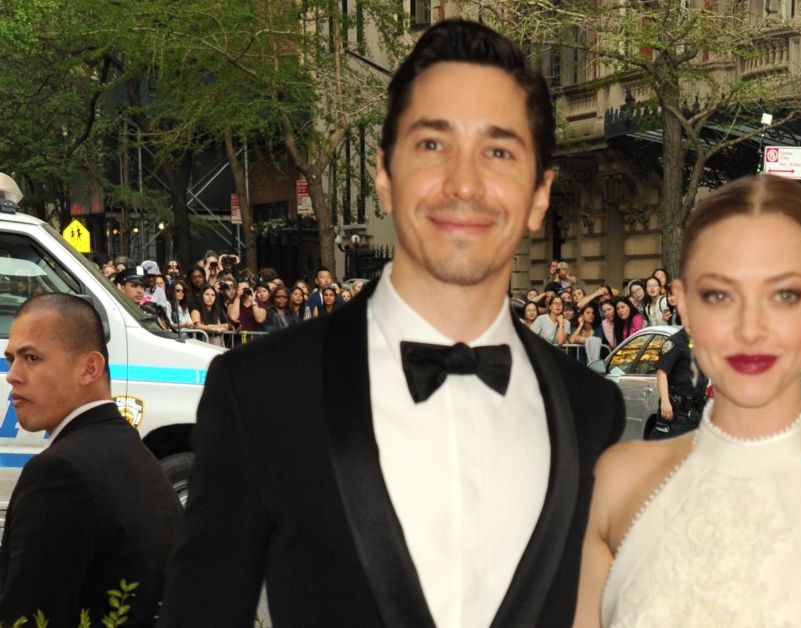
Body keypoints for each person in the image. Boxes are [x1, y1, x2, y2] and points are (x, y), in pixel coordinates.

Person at [160, 20, 624, 627]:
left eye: (499, 151)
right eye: (433, 145)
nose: (464, 183)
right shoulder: (259, 394)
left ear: (540, 195)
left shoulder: (593, 411)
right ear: (384, 174)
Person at [580, 175, 801, 626]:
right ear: (684, 304)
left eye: (784, 295)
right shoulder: (617, 481)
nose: (751, 328)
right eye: (720, 295)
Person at [0, 294, 182, 626]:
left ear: (89, 368)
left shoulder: (59, 473)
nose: (13, 375)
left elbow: (27, 617)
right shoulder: (131, 451)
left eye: (32, 357)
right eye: (11, 359)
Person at [650, 327, 708, 438]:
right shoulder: (675, 342)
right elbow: (661, 373)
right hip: (678, 412)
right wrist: (665, 402)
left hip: (697, 411)